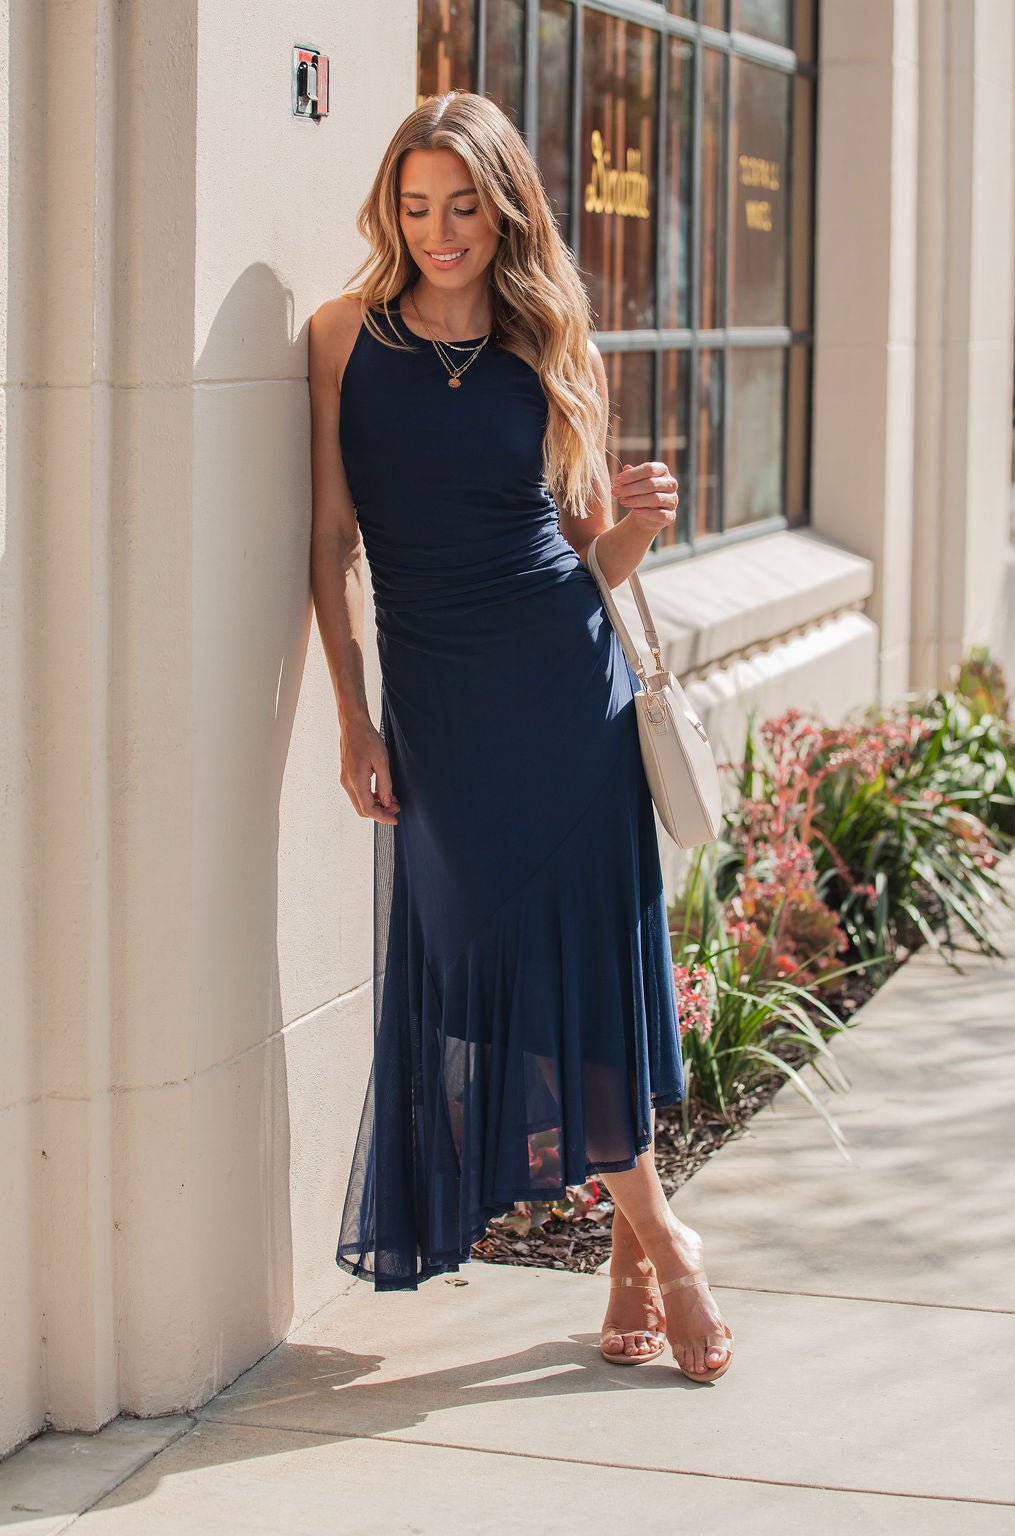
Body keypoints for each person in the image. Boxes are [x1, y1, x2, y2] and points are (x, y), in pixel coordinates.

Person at [307, 89, 733, 1384]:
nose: (439, 232)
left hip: (568, 699)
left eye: (464, 207)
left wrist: (640, 526)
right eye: (416, 207)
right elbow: (330, 543)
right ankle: (655, 1240)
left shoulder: (552, 340)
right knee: (493, 966)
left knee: (583, 976)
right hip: (440, 716)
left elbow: (591, 553)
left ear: (505, 213)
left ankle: (656, 1253)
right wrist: (352, 716)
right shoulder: (339, 338)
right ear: (391, 211)